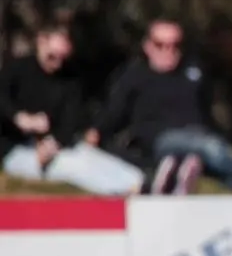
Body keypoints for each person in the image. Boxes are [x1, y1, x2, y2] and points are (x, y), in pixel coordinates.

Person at [89, 18, 232, 193]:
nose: (169, 51)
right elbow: (114, 110)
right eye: (161, 45)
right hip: (161, 138)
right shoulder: (134, 76)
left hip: (199, 135)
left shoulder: (194, 71)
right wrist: (96, 132)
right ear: (148, 46)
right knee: (206, 146)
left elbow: (206, 109)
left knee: (200, 153)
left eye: (175, 45)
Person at [0, 22, 159, 196]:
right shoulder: (16, 70)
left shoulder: (69, 79)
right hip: (16, 152)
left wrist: (54, 143)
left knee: (90, 156)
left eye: (63, 57)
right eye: (53, 56)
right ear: (41, 42)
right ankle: (124, 190)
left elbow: (71, 120)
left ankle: (144, 182)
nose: (58, 63)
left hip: (54, 146)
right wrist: (19, 118)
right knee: (70, 164)